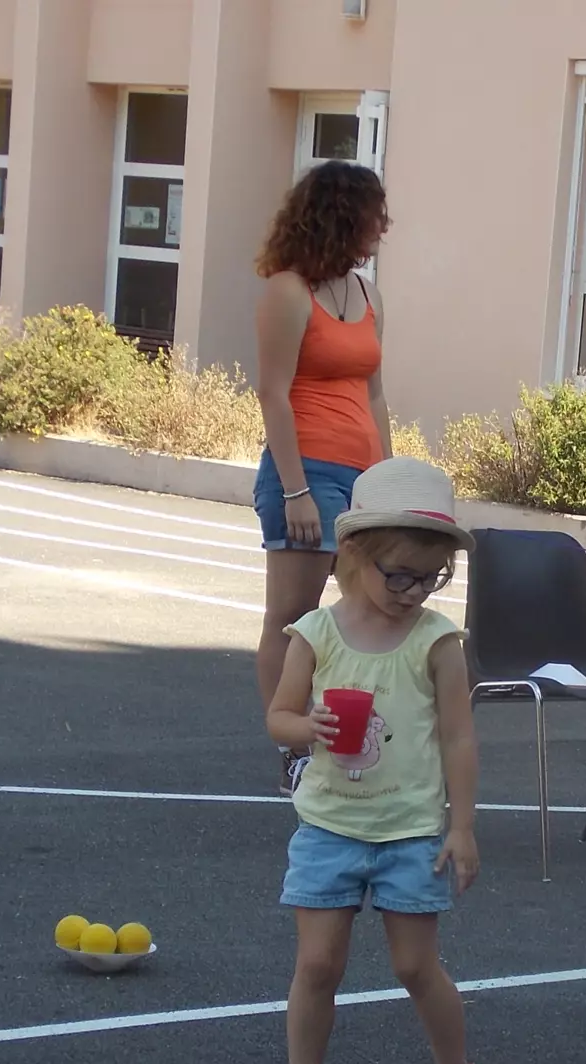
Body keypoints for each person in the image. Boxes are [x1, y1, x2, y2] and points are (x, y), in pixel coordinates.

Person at [260, 457, 488, 1064]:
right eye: (400, 576)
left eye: (431, 578)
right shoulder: (316, 633)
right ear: (355, 553)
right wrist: (306, 727)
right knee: (317, 966)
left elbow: (458, 736)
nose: (414, 592)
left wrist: (462, 826)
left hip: (409, 831)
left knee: (415, 967)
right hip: (328, 826)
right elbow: (279, 717)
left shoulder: (436, 640)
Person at [254, 161, 393, 793]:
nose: (381, 229)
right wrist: (296, 491)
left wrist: (386, 483)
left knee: (369, 611)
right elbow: (273, 393)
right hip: (305, 468)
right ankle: (292, 749)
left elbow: (376, 394)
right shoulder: (288, 292)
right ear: (342, 217)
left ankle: (349, 735)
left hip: (361, 474)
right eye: (373, 217)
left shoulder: (369, 296)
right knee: (292, 617)